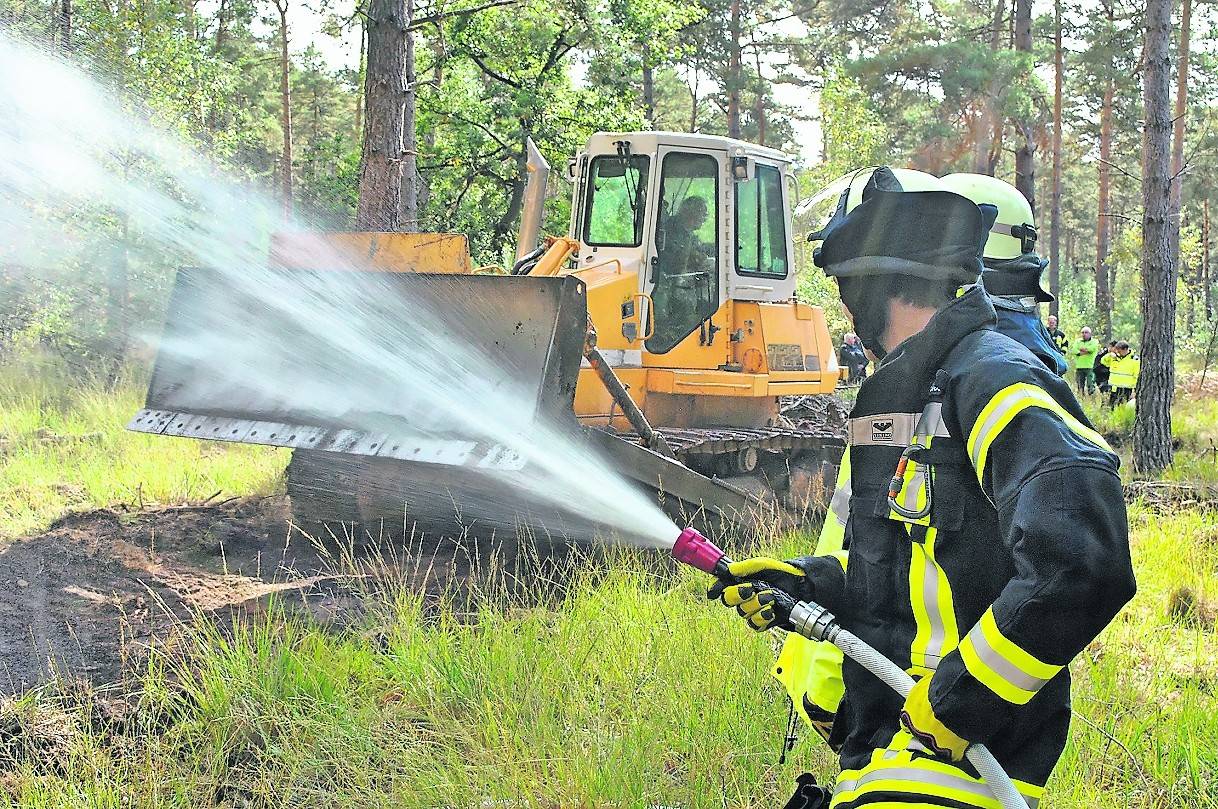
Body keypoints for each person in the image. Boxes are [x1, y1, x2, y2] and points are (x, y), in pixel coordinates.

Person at [712, 170, 1135, 809]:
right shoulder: (912, 394)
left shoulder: (993, 382)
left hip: (956, 768)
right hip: (888, 754)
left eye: (846, 292)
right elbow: (924, 570)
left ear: (874, 288)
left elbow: (1084, 562)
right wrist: (809, 584)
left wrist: (961, 702)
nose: (847, 317)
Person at [1101, 341, 1140, 407]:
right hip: (1113, 387)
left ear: (1125, 349)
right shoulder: (1114, 357)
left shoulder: (1134, 360)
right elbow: (1103, 361)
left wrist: (1134, 390)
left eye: (1119, 351)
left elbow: (1136, 375)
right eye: (1117, 351)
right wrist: (1109, 355)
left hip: (1126, 389)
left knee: (1123, 407)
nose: (1118, 353)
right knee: (1110, 407)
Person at [1073, 327, 1099, 396]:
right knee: (1079, 385)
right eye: (1083, 332)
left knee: (1090, 385)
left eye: (1086, 332)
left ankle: (1091, 399)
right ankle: (1081, 399)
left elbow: (1091, 349)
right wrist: (1084, 351)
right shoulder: (1077, 341)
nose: (1084, 334)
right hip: (1079, 366)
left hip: (1090, 366)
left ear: (1090, 334)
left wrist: (1082, 350)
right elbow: (1074, 350)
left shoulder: (1094, 341)